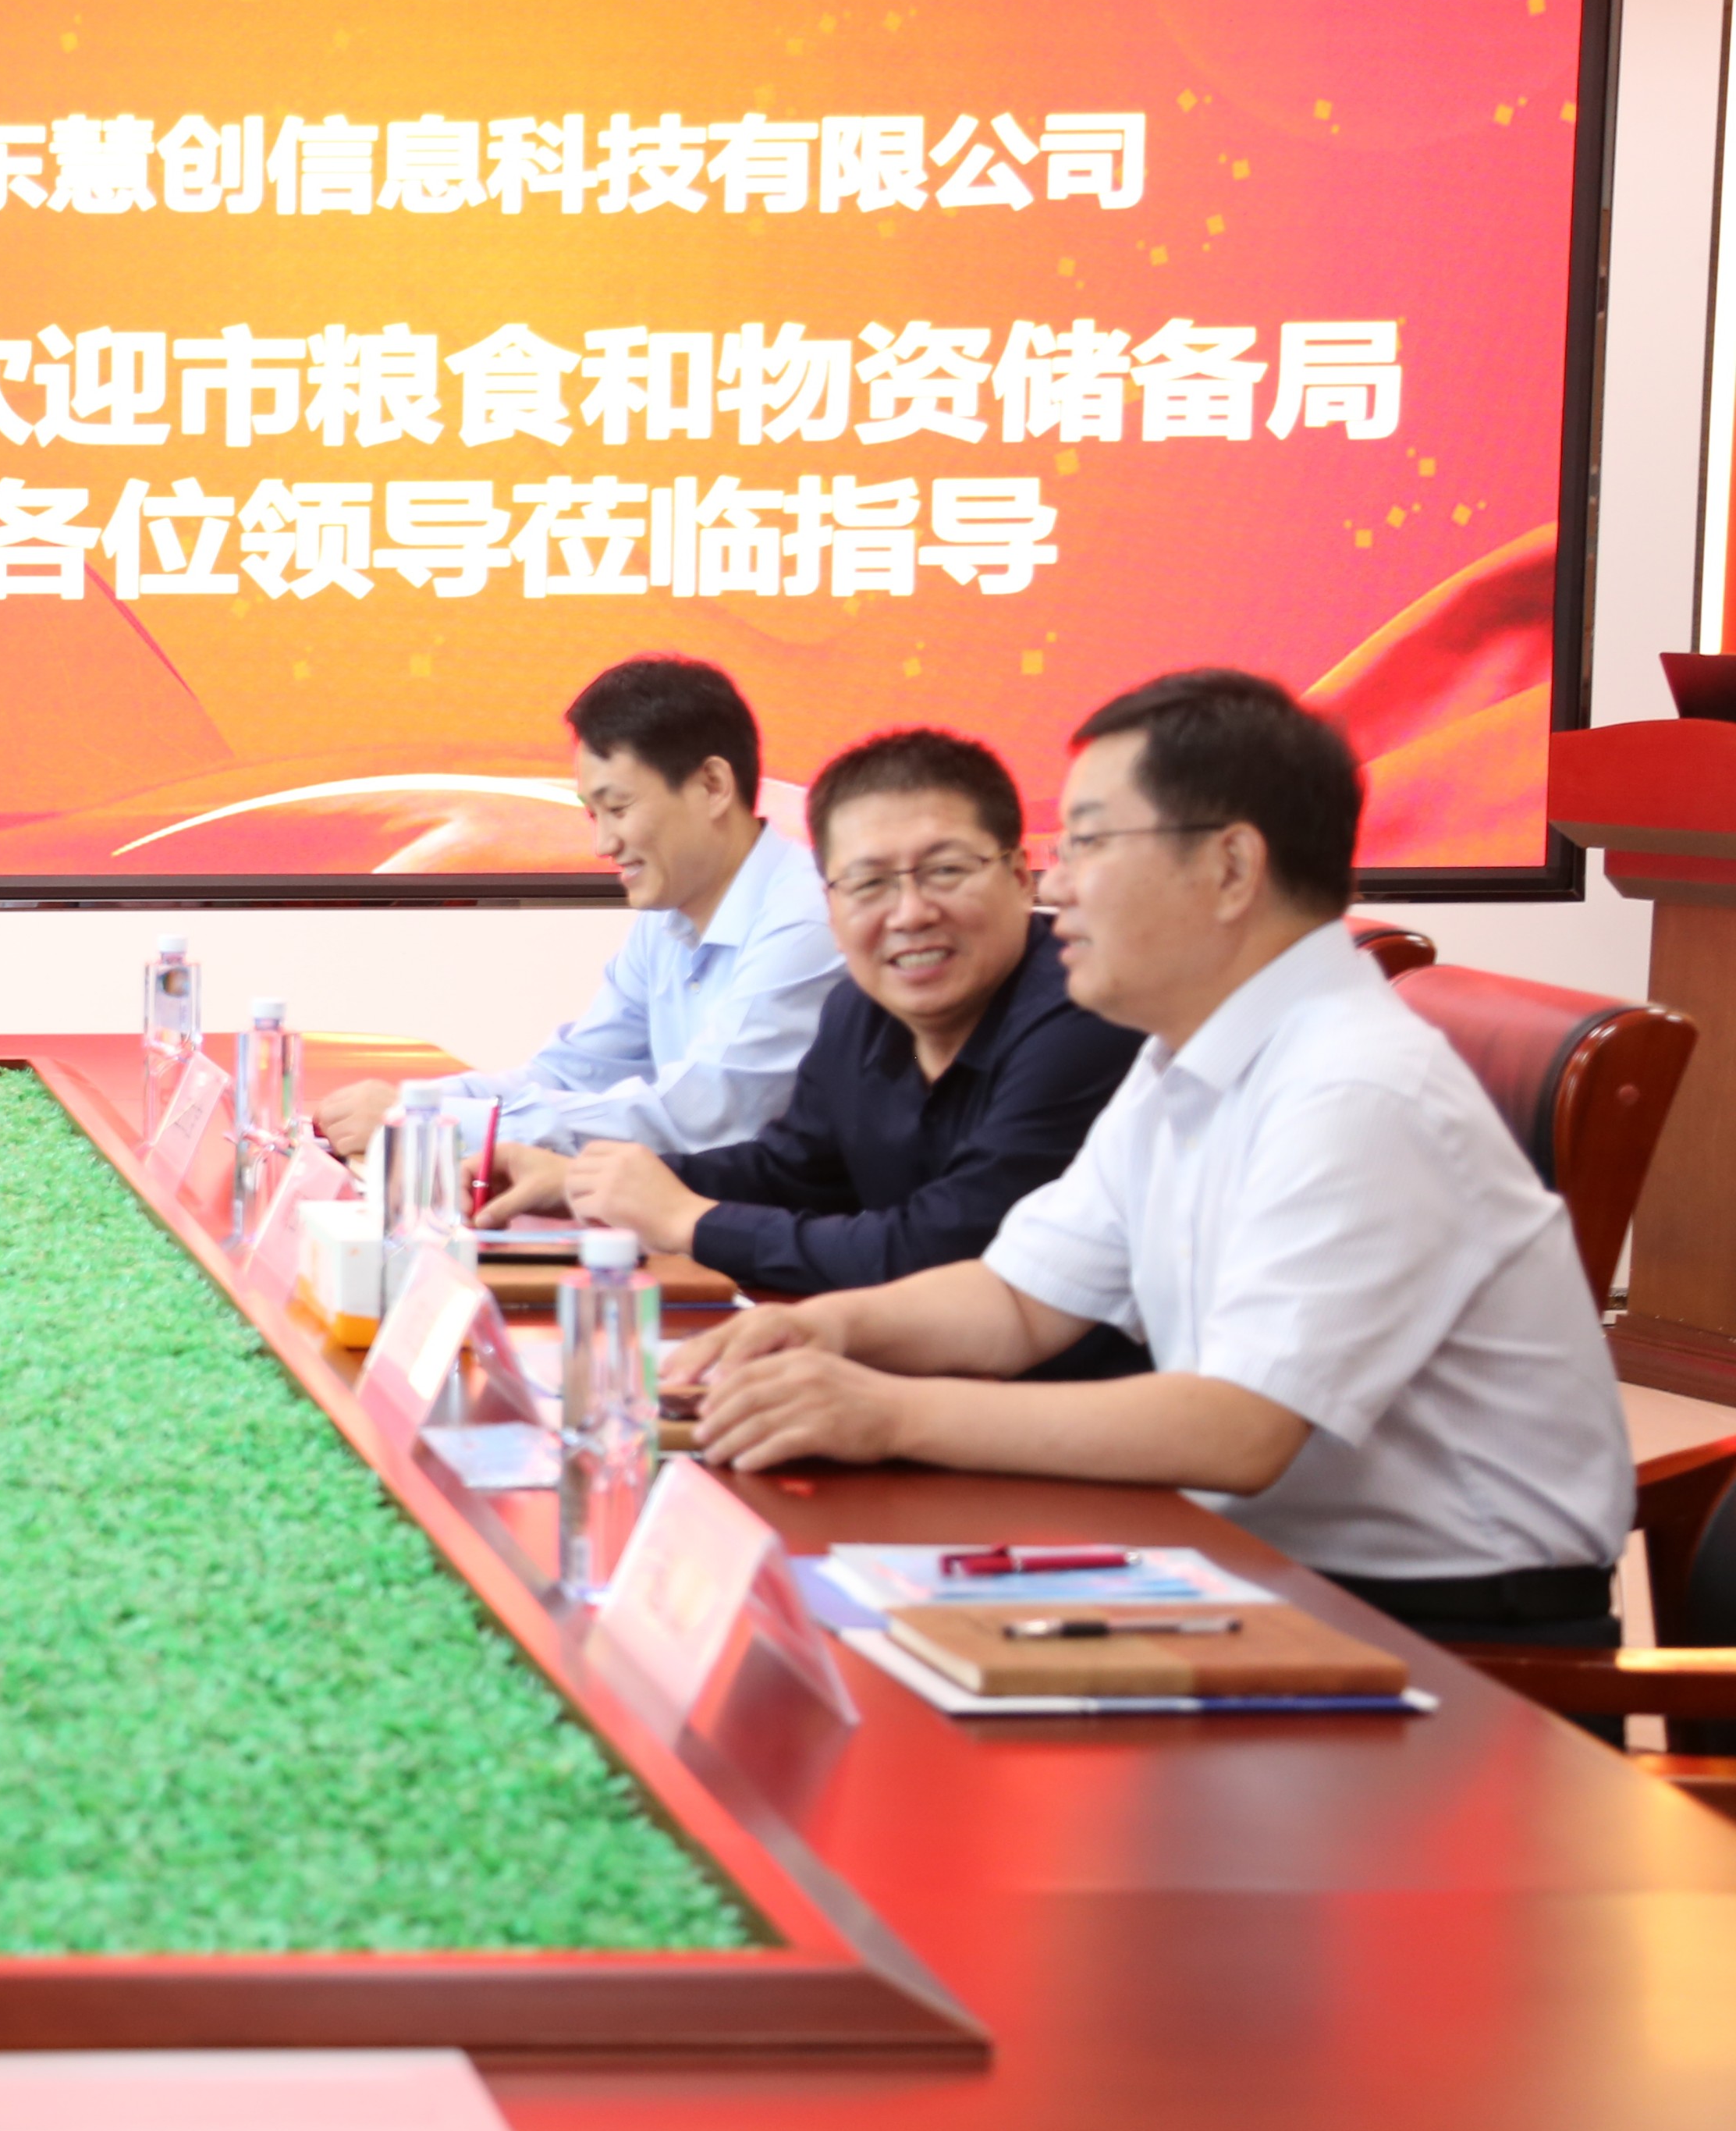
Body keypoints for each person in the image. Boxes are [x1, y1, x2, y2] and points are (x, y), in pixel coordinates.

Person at [666, 670, 1631, 1644]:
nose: (1053, 884)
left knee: (852, 1644)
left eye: (1088, 843)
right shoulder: (1185, 1056)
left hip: (1439, 1635)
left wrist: (884, 1414)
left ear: (1229, 867)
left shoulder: (1354, 1088)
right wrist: (821, 1330)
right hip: (1246, 1562)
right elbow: (1017, 1303)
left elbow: (1238, 1430)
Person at [494, 730, 1146, 1372]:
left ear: (1021, 877)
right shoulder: (857, 1010)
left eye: (946, 871)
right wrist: (593, 1186)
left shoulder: (1085, 1015)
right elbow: (790, 1171)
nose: (910, 912)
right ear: (830, 906)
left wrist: (692, 1221)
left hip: (1068, 1410)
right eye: (868, 883)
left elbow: (943, 1249)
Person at [318, 654, 839, 1175]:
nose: (602, 845)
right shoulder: (668, 917)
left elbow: (697, 1118)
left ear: (712, 786)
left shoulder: (809, 921)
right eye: (593, 815)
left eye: (619, 809)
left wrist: (426, 1122)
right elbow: (572, 1072)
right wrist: (414, 1103)